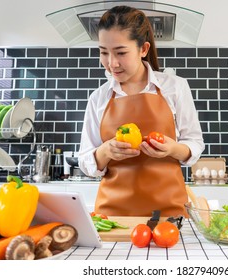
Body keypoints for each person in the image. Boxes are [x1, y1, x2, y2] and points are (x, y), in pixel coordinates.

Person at [78, 5, 204, 217]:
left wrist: (173, 149)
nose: (111, 63)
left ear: (143, 49)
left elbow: (195, 144)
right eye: (103, 52)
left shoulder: (175, 87)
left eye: (121, 52)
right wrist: (106, 151)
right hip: (112, 216)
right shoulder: (98, 98)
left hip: (168, 213)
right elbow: (85, 161)